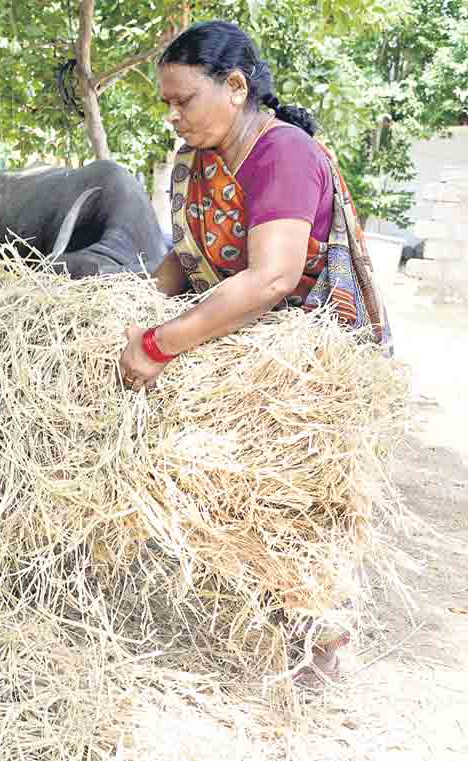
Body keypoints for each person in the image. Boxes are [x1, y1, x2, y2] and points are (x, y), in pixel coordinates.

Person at [118, 20, 392, 685]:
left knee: (299, 501)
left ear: (235, 87)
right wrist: (130, 306)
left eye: (184, 99)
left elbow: (271, 277)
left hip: (305, 357)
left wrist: (159, 342)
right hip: (238, 342)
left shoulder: (283, 155)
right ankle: (265, 613)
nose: (174, 116)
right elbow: (185, 260)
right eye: (166, 103)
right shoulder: (204, 161)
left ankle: (317, 647)